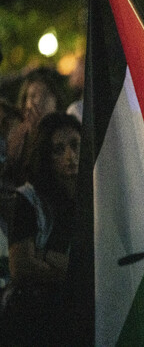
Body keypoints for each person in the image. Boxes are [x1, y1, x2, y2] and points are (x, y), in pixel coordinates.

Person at [0, 112, 80, 346]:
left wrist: (43, 255)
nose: (70, 156)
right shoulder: (28, 199)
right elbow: (22, 267)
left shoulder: (93, 198)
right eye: (59, 149)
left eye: (75, 145)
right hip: (33, 318)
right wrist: (74, 274)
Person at [6, 67, 67, 186]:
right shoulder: (16, 138)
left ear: (56, 100)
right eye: (32, 96)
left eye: (45, 95)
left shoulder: (67, 131)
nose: (38, 101)